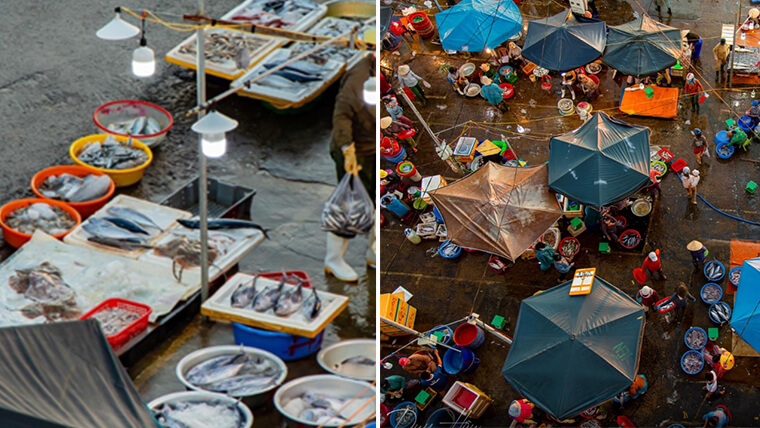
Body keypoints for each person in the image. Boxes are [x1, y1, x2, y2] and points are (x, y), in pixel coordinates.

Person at [326, 55, 375, 282]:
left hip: (373, 148)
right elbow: (341, 115)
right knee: (349, 204)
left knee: (375, 202)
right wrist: (347, 149)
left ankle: (373, 252)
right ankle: (333, 259)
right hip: (355, 152)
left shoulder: (377, 71)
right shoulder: (358, 78)